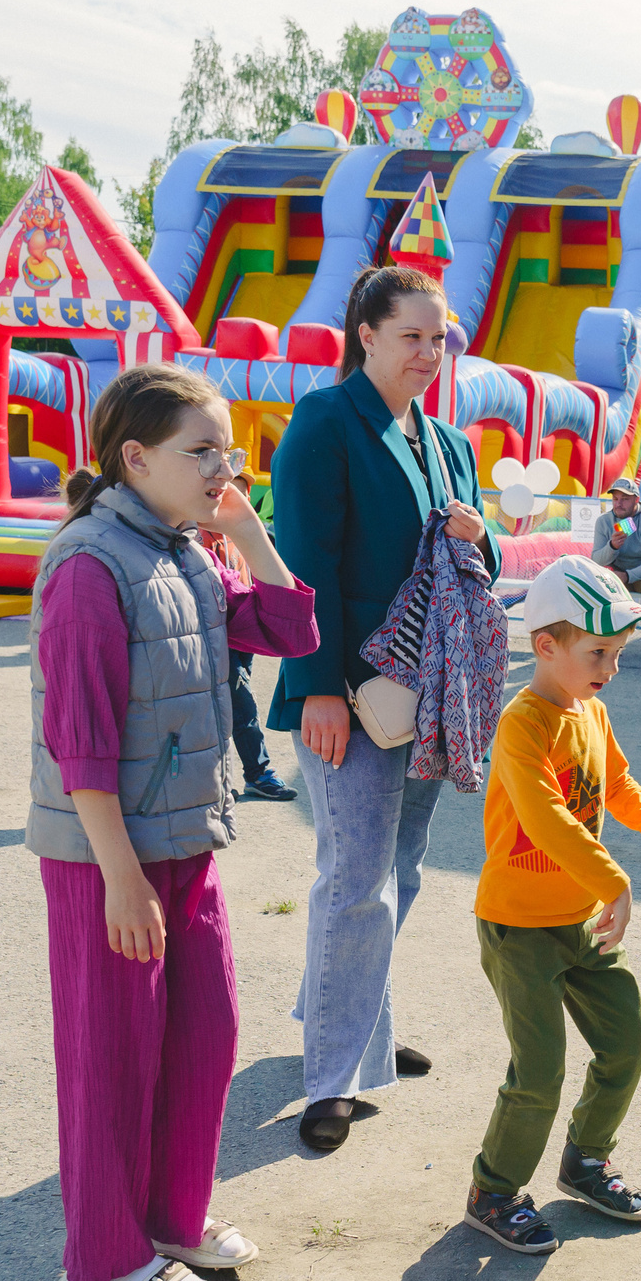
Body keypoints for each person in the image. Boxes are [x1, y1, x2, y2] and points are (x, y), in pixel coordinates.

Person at [29, 362, 319, 1281]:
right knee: (113, 1049)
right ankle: (102, 1258)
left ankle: (170, 1218)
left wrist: (246, 528)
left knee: (205, 1028)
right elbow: (81, 741)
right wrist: (120, 876)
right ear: (135, 457)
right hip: (108, 853)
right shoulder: (89, 565)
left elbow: (282, 629)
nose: (220, 468)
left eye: (228, 451)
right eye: (202, 452)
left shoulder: (186, 548)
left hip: (184, 835)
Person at [267, 265, 496, 1152]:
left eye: (440, 338)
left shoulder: (445, 438)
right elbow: (303, 562)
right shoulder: (328, 424)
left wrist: (484, 531)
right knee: (354, 877)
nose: (430, 354)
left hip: (428, 697)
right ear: (365, 334)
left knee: (399, 871)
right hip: (351, 694)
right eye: (412, 336)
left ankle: (357, 1020)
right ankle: (331, 1074)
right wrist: (315, 687)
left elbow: (463, 551)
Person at [461, 555, 641, 1254]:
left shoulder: (591, 710)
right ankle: (493, 1189)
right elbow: (549, 817)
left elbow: (613, 782)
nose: (610, 668)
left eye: (618, 653)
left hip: (578, 921)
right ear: (546, 646)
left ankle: (585, 1160)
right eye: (599, 652)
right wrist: (613, 880)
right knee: (539, 1070)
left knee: (627, 1039)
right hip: (519, 927)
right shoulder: (522, 725)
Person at [207, 473, 296, 803]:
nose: (237, 497)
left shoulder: (239, 534)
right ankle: (257, 773)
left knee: (233, 703)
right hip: (220, 634)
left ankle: (233, 774)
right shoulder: (197, 534)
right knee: (240, 704)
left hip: (243, 629)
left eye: (242, 492)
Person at [589, 473, 641, 664]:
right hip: (618, 575)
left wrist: (629, 575)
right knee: (599, 579)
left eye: (625, 499)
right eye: (615, 499)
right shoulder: (604, 522)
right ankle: (609, 642)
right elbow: (596, 560)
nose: (619, 504)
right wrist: (612, 547)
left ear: (636, 500)